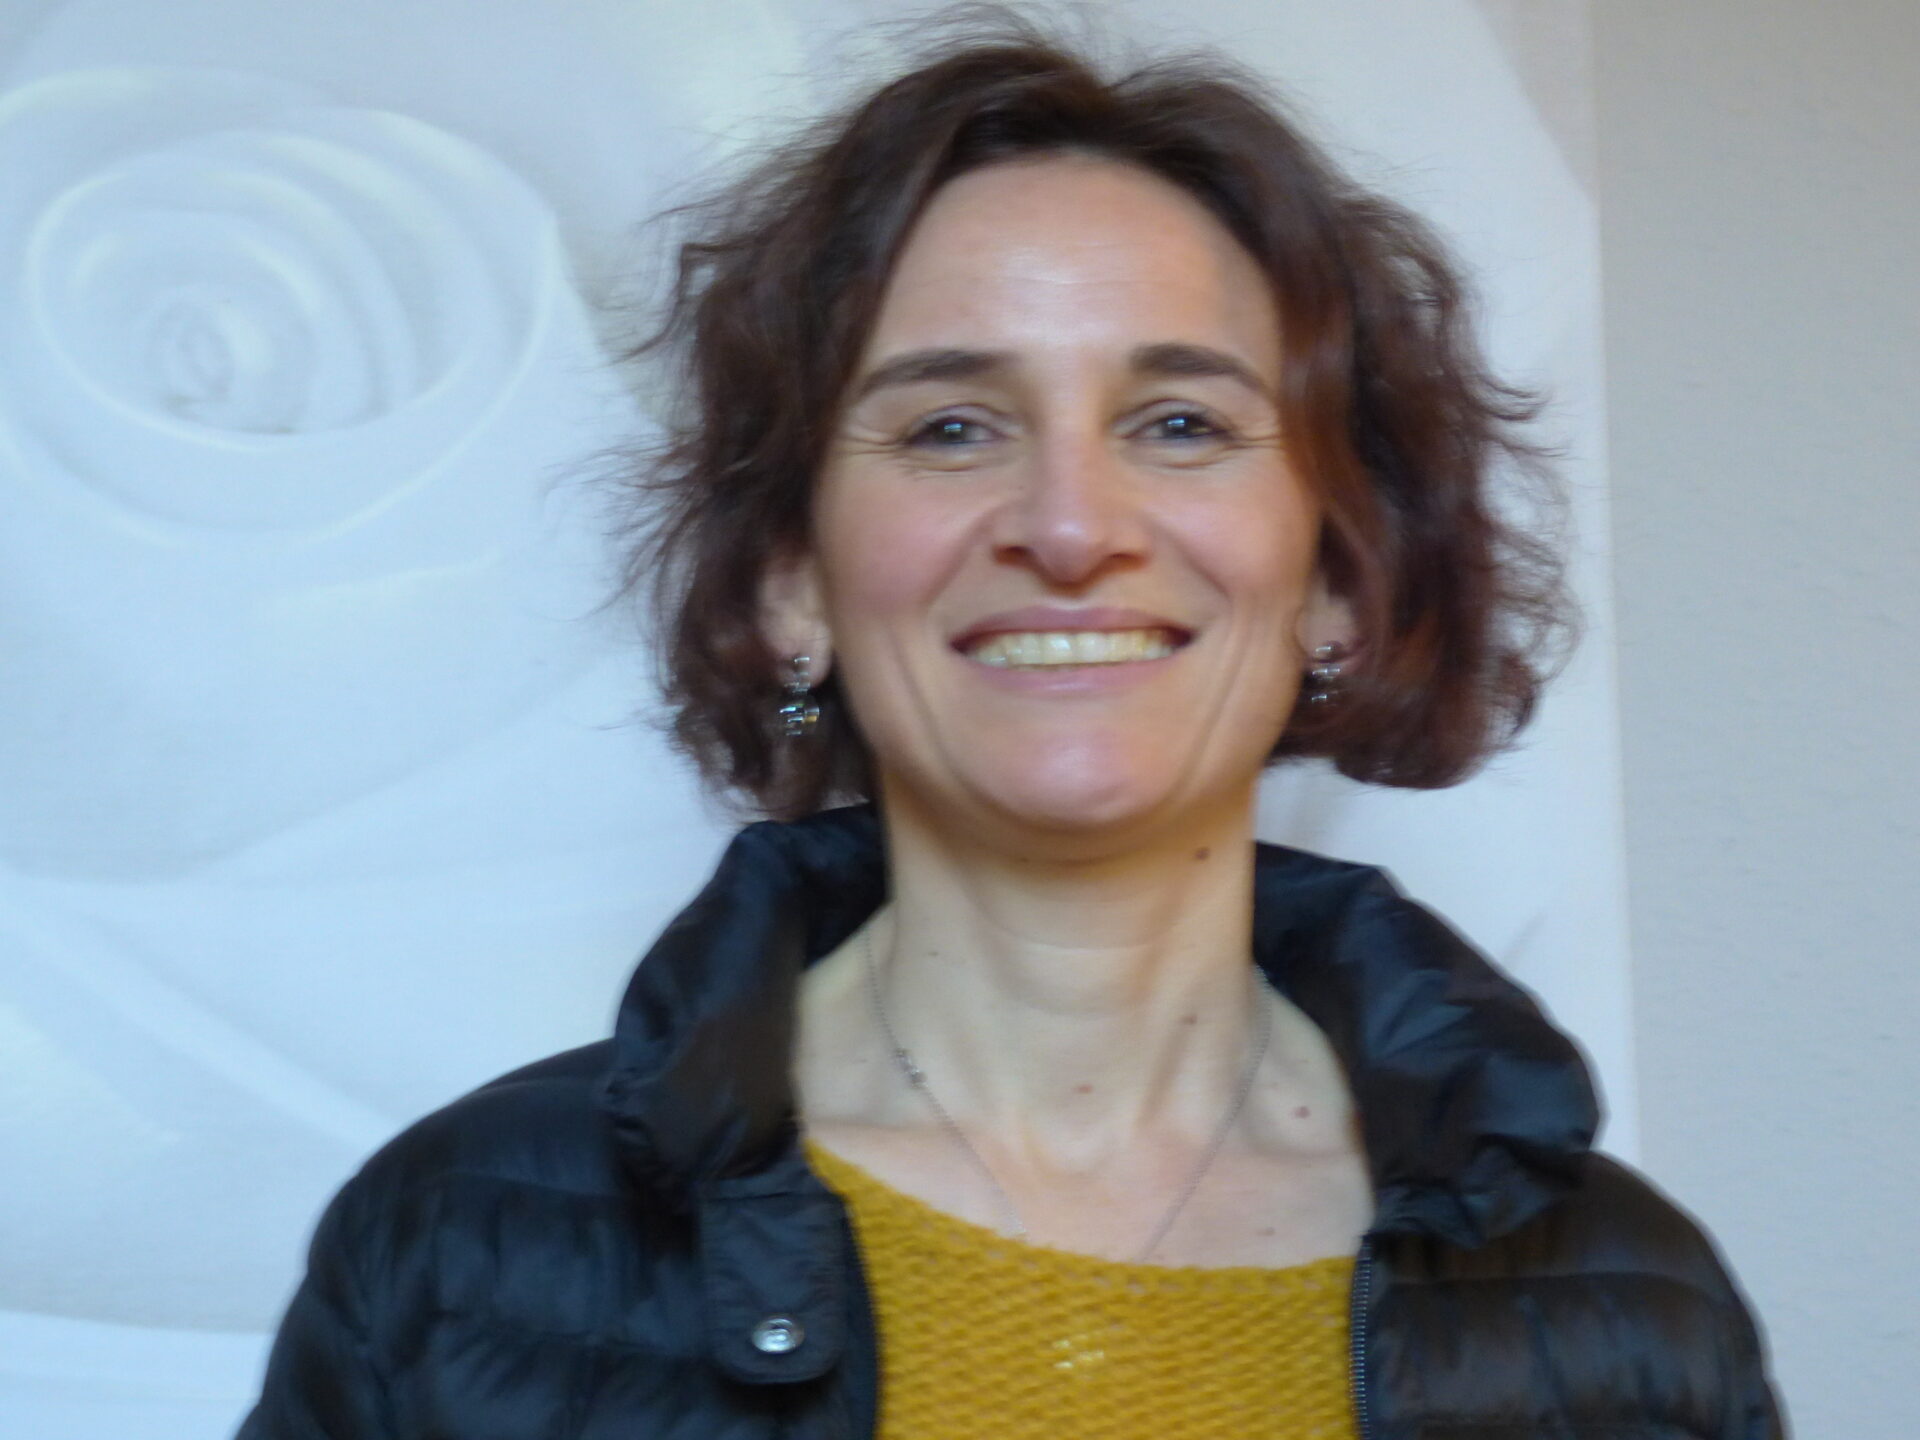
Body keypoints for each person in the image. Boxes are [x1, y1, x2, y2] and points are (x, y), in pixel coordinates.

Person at [240, 20, 1783, 1440]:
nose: (1069, 523)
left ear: (1336, 579)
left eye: (1179, 423)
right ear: (792, 583)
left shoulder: (1631, 1312)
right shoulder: (456, 1248)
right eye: (951, 427)